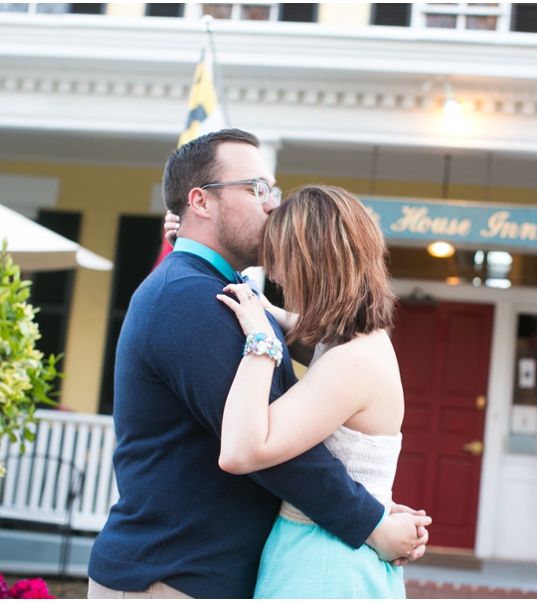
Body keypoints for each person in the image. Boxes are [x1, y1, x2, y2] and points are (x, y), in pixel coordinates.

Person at [87, 129, 429, 599]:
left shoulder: (221, 293)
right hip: (172, 576)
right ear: (201, 202)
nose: (271, 205)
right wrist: (372, 523)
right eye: (257, 189)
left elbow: (297, 341)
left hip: (210, 571)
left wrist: (193, 244)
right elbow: (273, 454)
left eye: (273, 190)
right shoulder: (189, 297)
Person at [215, 185, 408, 598]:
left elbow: (239, 450)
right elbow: (288, 321)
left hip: (325, 564)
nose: (277, 273)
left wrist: (259, 344)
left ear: (311, 263)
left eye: (282, 257)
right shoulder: (353, 338)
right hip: (329, 550)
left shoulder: (352, 361)